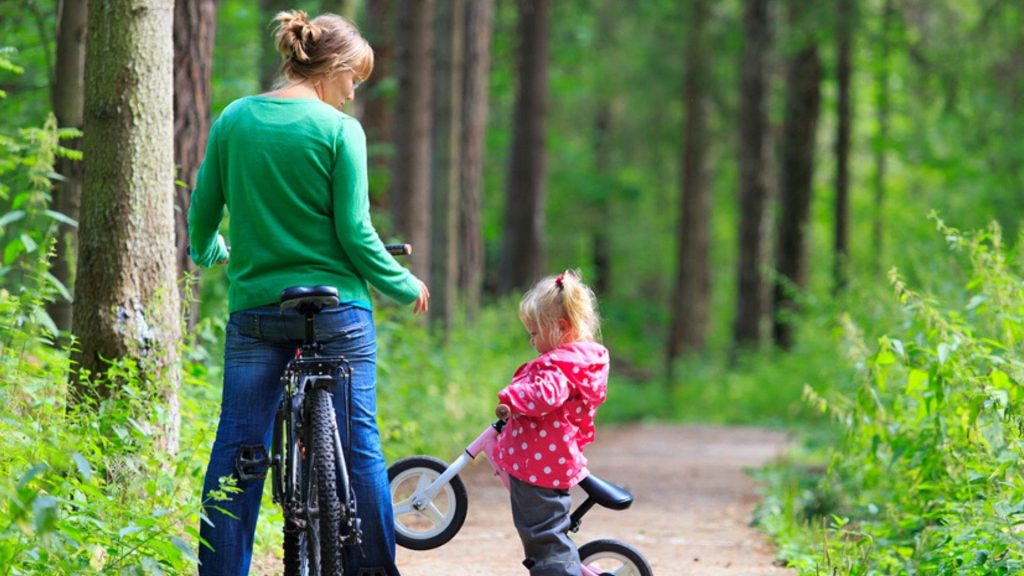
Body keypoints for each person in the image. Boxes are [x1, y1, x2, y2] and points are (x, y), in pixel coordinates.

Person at [188, 10, 427, 576]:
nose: (351, 94)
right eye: (353, 80)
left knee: (238, 451)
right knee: (360, 443)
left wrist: (209, 252)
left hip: (256, 312)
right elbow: (354, 231)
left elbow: (203, 214)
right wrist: (402, 283)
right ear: (334, 68)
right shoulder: (341, 131)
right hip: (338, 310)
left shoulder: (234, 120)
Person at [493, 271, 609, 576]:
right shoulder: (575, 360)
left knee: (544, 537)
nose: (531, 341)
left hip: (538, 465)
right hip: (546, 459)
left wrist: (512, 396)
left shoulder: (559, 366)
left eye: (534, 333)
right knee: (544, 531)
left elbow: (546, 395)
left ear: (560, 327)